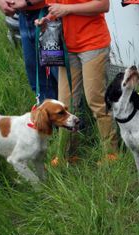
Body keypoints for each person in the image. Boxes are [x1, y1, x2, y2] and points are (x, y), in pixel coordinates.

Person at [36, 0, 118, 161]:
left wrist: (66, 9)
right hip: (67, 47)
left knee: (96, 101)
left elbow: (103, 5)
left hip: (93, 44)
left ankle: (111, 154)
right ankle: (66, 155)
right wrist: (48, 19)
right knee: (65, 103)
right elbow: (57, 9)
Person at [0, 0, 58, 102]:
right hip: (24, 16)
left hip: (47, 15)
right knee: (38, 80)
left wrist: (27, 1)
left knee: (57, 78)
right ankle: (46, 115)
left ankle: (73, 115)